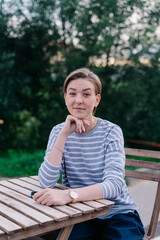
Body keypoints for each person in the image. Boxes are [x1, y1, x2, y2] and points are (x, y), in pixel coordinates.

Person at [33, 68, 145, 240]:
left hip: (117, 214)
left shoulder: (111, 132)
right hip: (78, 215)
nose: (78, 101)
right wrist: (63, 135)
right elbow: (46, 181)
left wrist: (69, 195)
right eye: (72, 94)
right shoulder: (58, 131)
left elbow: (115, 185)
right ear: (65, 98)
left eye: (86, 94)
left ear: (96, 100)